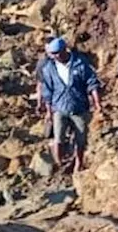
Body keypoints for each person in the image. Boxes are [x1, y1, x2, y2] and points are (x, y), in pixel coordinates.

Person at [37, 37, 102, 173]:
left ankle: (79, 163)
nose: (56, 56)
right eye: (53, 54)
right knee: (58, 138)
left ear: (64, 50)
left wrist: (97, 104)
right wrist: (48, 111)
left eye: (58, 53)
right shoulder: (49, 68)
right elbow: (47, 91)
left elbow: (92, 83)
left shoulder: (80, 64)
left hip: (79, 107)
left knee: (80, 139)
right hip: (59, 107)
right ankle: (59, 162)